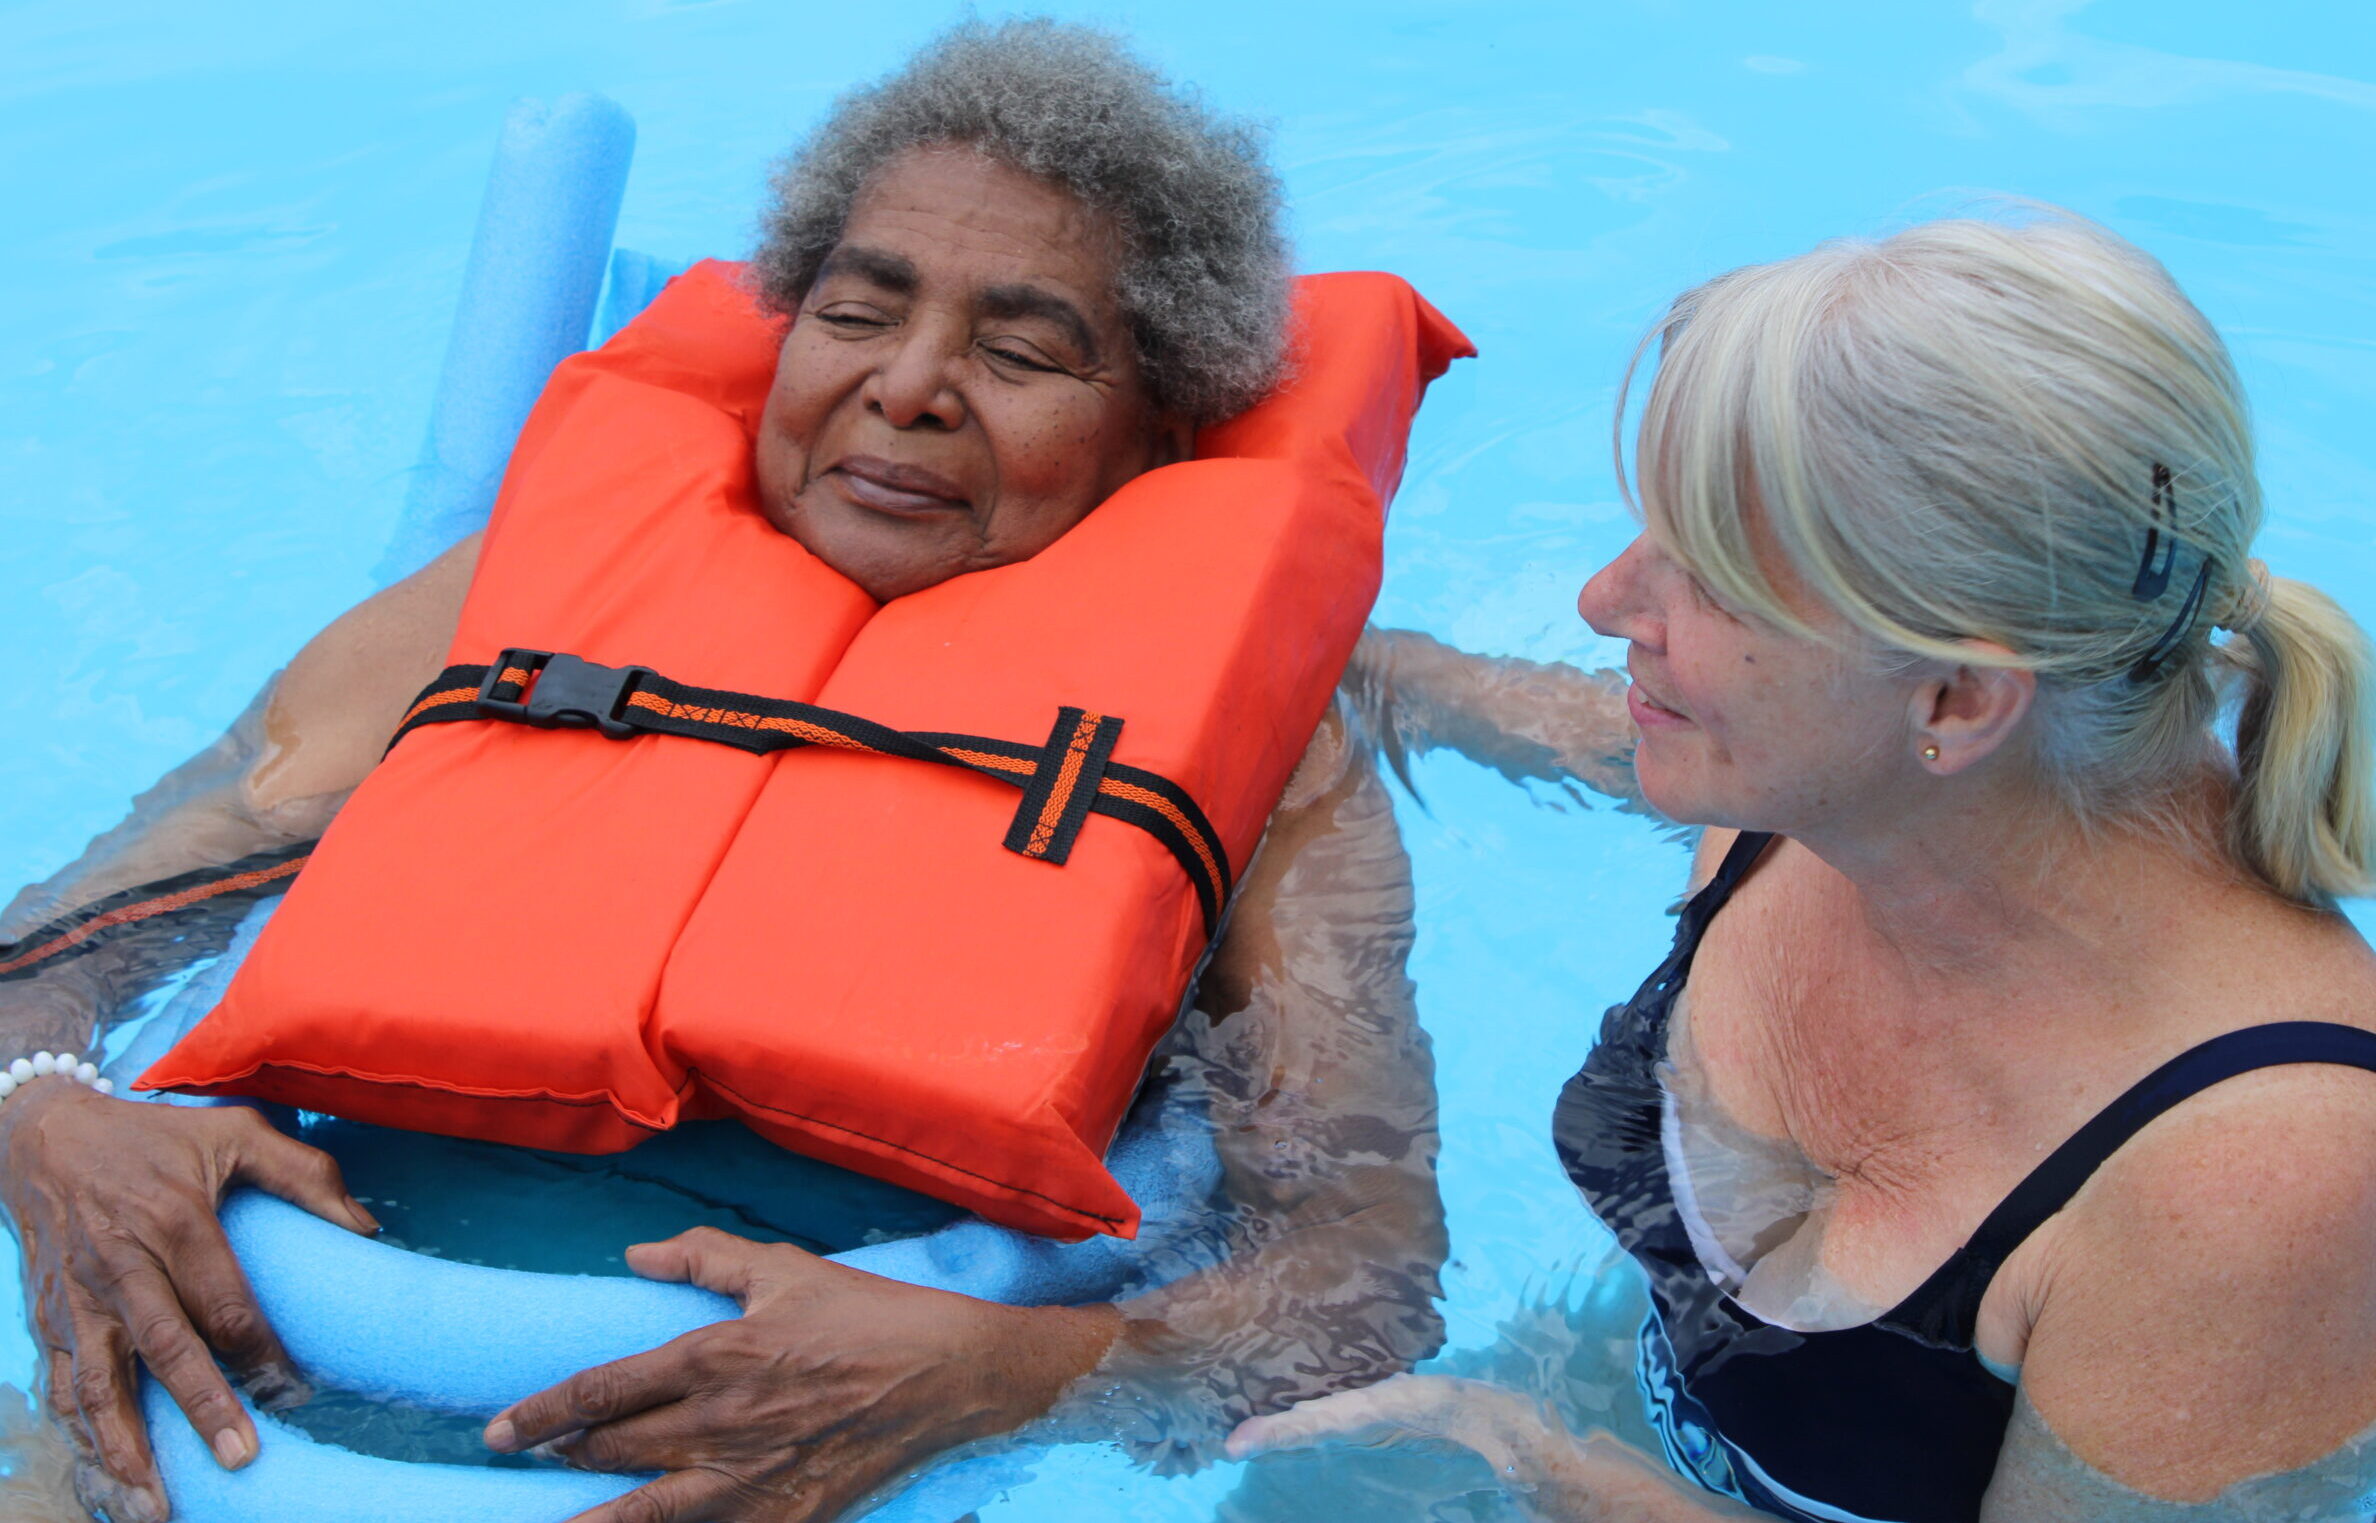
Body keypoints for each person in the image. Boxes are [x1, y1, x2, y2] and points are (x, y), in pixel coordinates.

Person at [0, 22, 1457, 1523]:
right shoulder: (498, 613)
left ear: (1158, 439)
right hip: (251, 1395)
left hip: (798, 1465)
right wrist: (52, 1118)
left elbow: (1362, 1286)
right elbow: (49, 955)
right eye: (854, 314)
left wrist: (998, 1374)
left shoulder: (1271, 779)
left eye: (1019, 353)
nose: (909, 387)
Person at [1233, 211, 2376, 1521]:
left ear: (1953, 699)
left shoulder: (2255, 1189)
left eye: (1706, 576)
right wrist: (1320, 664)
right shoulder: (1807, 787)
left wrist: (1536, 1465)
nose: (1606, 602)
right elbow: (1569, 727)